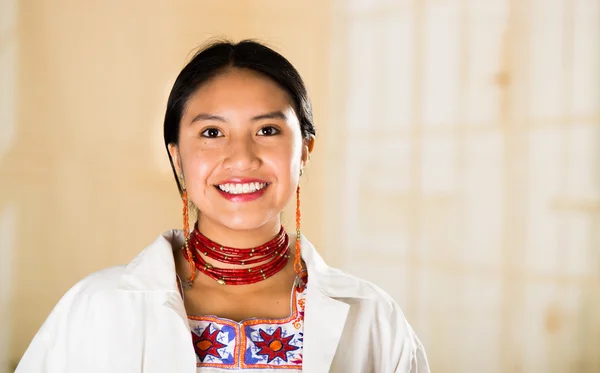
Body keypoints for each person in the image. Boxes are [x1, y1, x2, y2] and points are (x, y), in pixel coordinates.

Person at [15, 40, 430, 373]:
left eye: (267, 129)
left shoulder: (374, 319)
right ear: (176, 156)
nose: (242, 158)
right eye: (212, 132)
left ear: (304, 150)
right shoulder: (96, 309)